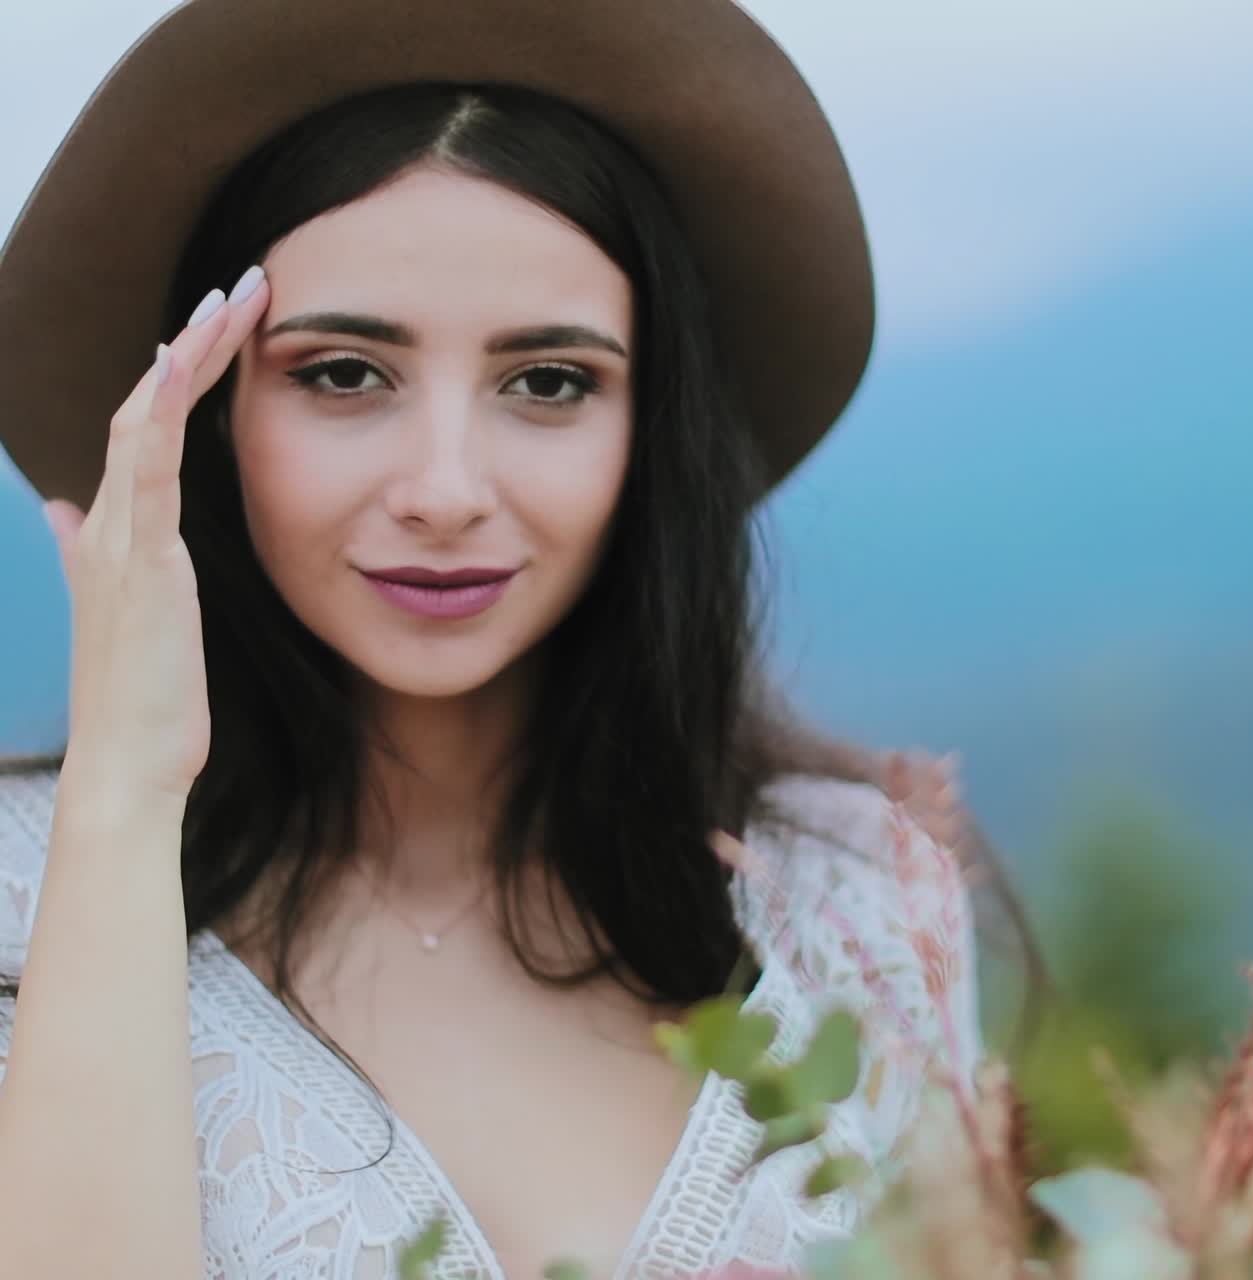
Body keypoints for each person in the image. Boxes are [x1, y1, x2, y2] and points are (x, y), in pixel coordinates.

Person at [0, 1, 1025, 1275]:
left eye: (547, 382)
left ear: (648, 428)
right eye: (342, 373)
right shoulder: (23, 894)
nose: (444, 489)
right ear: (205, 415)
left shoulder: (853, 903)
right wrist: (124, 795)